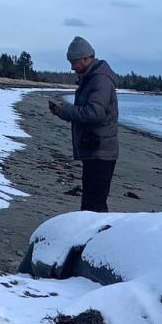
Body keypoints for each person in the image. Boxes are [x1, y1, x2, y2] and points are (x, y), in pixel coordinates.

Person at [48, 37, 119, 213]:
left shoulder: (100, 80)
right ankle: (93, 237)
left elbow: (94, 113)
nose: (72, 67)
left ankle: (97, 238)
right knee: (92, 202)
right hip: (95, 148)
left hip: (101, 150)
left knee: (94, 205)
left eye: (74, 62)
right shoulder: (92, 78)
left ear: (87, 58)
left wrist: (64, 111)